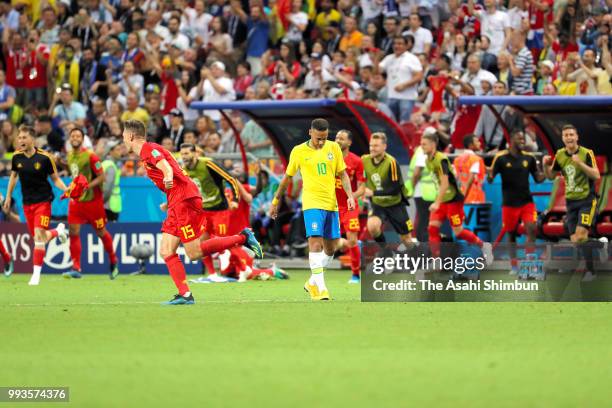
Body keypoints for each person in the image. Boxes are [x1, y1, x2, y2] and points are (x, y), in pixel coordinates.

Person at [121, 120, 262, 305]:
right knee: (166, 250)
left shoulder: (147, 149)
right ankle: (185, 295)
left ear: (131, 136)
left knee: (194, 252)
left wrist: (168, 177)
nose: (122, 139)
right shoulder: (150, 150)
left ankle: (243, 238)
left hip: (184, 200)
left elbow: (165, 166)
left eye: (123, 135)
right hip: (176, 201)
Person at [269, 118, 354, 301]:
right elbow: (287, 178)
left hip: (331, 205)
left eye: (324, 138)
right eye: (318, 138)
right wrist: (276, 200)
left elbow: (343, 175)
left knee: (331, 248)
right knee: (315, 243)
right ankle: (320, 288)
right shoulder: (299, 151)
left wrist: (350, 196)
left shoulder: (334, 148)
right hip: (312, 203)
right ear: (310, 133)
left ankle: (312, 281)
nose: (321, 142)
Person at [3, 125, 69, 285]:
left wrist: (66, 188)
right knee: (39, 238)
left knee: (39, 236)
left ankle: (36, 275)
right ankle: (58, 230)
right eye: (19, 138)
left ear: (32, 139)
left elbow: (55, 179)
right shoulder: (17, 157)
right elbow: (13, 177)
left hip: (44, 201)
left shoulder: (45, 158)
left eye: (24, 137)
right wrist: (8, 197)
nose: (21, 140)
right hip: (27, 203)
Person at [421, 132, 493, 263]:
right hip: (443, 199)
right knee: (432, 228)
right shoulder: (427, 161)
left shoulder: (441, 159)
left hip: (454, 200)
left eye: (424, 144)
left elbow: (445, 182)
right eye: (421, 144)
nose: (422, 147)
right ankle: (436, 260)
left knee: (458, 231)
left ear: (433, 145)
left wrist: (436, 202)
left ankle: (483, 246)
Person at [543, 124, 603, 281]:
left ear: (577, 137)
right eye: (566, 135)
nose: (569, 137)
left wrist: (580, 163)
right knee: (576, 240)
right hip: (571, 203)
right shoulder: (560, 155)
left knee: (581, 236)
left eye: (571, 134)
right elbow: (550, 176)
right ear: (562, 138)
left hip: (587, 200)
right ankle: (598, 245)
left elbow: (596, 176)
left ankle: (590, 272)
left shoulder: (586, 153)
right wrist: (544, 165)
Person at [179, 143, 241, 282]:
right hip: (202, 212)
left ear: (195, 154)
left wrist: (236, 199)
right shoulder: (182, 170)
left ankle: (238, 269)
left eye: (187, 153)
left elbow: (231, 179)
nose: (184, 157)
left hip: (219, 209)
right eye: (182, 154)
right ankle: (212, 274)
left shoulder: (208, 164)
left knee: (221, 243)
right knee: (202, 244)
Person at [488, 130, 545, 274]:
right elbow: (490, 178)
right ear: (511, 139)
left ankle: (529, 263)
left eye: (523, 139)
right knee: (511, 234)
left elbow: (538, 178)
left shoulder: (530, 158)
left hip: (527, 202)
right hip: (509, 204)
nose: (522, 141)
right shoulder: (500, 158)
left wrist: (548, 170)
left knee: (531, 229)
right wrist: (488, 174)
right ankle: (513, 265)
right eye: (519, 138)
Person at [65, 128, 119, 279]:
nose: (75, 137)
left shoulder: (91, 156)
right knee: (73, 232)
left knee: (101, 232)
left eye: (78, 135)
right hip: (77, 202)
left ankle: (114, 261)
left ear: (82, 139)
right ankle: (76, 267)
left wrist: (86, 186)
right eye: (72, 135)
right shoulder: (69, 156)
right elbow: (75, 175)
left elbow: (102, 178)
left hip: (93, 202)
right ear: (69, 139)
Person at [362, 132, 415, 247]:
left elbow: (395, 189)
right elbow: (360, 178)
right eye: (371, 145)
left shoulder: (391, 162)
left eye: (376, 146)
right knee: (372, 226)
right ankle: (386, 251)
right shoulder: (364, 160)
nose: (372, 148)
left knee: (406, 239)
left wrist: (373, 192)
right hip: (378, 205)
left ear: (384, 147)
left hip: (395, 204)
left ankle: (418, 258)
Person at [333, 130, 365, 284]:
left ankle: (355, 275)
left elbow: (362, 189)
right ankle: (355, 245)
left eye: (342, 138)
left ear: (349, 142)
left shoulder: (357, 161)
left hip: (349, 207)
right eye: (337, 137)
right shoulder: (328, 158)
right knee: (331, 242)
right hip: (331, 206)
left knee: (351, 239)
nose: (338, 140)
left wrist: (351, 198)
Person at [377, 36, 423, 123]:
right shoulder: (389, 58)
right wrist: (376, 58)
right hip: (391, 96)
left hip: (407, 97)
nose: (396, 46)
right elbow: (377, 71)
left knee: (404, 123)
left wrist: (404, 85)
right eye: (394, 44)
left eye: (400, 44)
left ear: (406, 46)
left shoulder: (412, 58)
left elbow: (419, 76)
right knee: (391, 123)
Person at [453, 134, 486, 204]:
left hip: (460, 194)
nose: (480, 143)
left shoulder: (457, 159)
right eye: (477, 142)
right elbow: (471, 179)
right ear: (471, 145)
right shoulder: (475, 159)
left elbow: (455, 177)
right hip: (474, 197)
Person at [101, 140, 123, 222]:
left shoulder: (106, 164)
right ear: (110, 152)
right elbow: (107, 188)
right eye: (117, 150)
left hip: (108, 205)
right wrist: (101, 203)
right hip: (109, 206)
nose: (120, 152)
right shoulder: (111, 166)